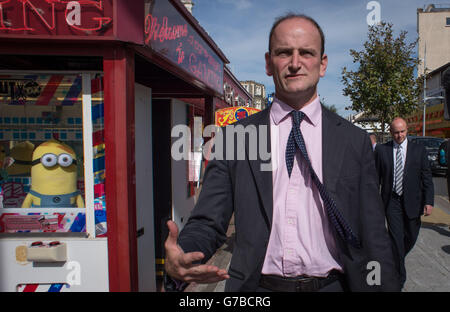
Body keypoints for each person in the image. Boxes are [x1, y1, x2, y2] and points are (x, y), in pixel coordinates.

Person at [164, 13, 400, 292]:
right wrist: (185, 253)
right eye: (284, 52)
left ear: (322, 64)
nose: (295, 63)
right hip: (257, 288)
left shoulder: (355, 140)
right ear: (268, 62)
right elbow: (209, 220)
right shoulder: (235, 138)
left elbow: (373, 230)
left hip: (334, 285)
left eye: (307, 53)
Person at [374, 117, 434, 289]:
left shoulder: (418, 150)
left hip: (413, 202)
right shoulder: (382, 150)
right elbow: (375, 178)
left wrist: (429, 201)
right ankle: (398, 279)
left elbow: (427, 178)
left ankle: (395, 259)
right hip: (391, 201)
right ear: (391, 132)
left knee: (410, 237)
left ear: (407, 130)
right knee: (396, 240)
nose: (399, 135)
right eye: (396, 132)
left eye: (402, 131)